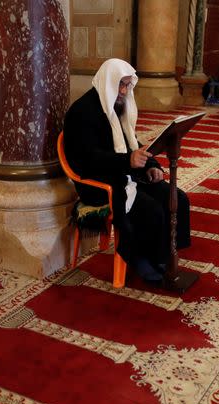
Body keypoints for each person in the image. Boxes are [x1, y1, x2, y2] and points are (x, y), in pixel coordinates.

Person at [63, 58, 190, 283]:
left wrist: (151, 166)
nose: (124, 91)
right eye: (121, 84)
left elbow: (132, 143)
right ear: (109, 82)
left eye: (127, 85)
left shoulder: (117, 106)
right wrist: (128, 161)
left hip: (122, 173)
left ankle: (163, 256)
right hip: (97, 182)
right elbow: (90, 158)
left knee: (176, 197)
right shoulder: (83, 111)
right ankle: (141, 260)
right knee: (151, 209)